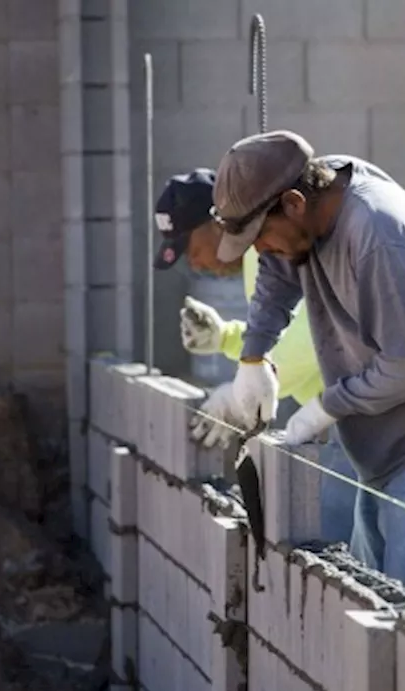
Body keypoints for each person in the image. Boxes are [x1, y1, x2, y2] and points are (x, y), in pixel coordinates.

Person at [210, 130, 405, 610]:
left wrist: (324, 408)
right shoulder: (314, 202)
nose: (261, 252)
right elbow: (276, 276)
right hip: (386, 447)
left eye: (260, 238)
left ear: (292, 204)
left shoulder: (376, 233)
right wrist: (253, 356)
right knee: (376, 611)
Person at [150, 167, 360, 548]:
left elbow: (315, 336)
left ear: (216, 223)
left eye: (190, 246)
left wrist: (238, 392)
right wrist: (227, 338)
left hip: (385, 413)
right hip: (352, 418)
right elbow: (279, 334)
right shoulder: (259, 257)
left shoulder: (275, 246)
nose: (194, 263)